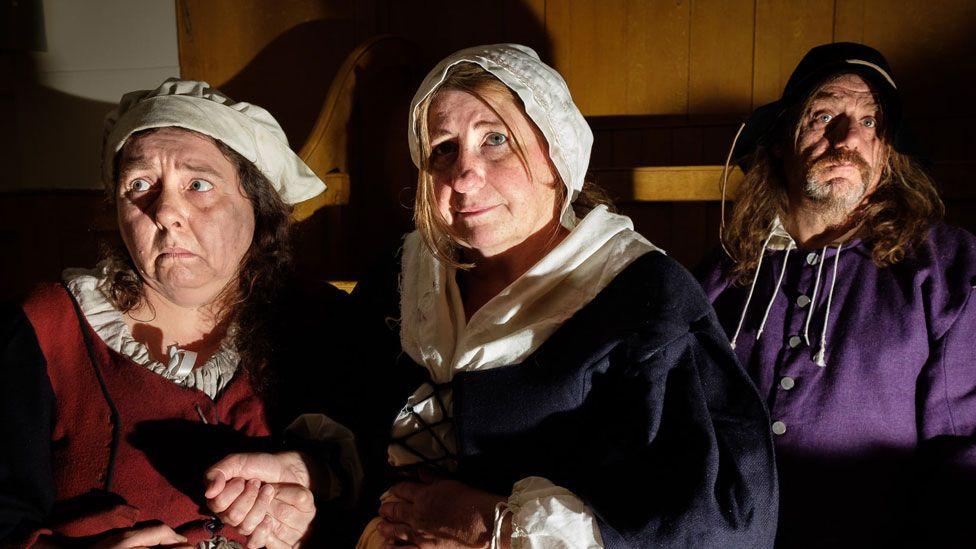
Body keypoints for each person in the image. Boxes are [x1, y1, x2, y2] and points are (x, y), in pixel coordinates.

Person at [208, 44, 778, 548]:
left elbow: (723, 521)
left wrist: (497, 529)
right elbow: (352, 413)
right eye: (443, 150)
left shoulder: (643, 299)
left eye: (496, 140)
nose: (463, 175)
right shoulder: (406, 275)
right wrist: (311, 470)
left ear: (558, 154)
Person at [0, 78, 336, 548]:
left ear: (256, 204)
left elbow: (381, 485)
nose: (166, 211)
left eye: (198, 184)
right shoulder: (46, 329)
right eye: (139, 185)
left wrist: (315, 486)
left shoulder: (320, 321)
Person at [698, 42, 976, 547]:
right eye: (824, 114)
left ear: (886, 151)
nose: (847, 137)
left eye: (870, 122)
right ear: (782, 139)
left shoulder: (948, 272)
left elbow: (964, 456)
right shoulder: (723, 273)